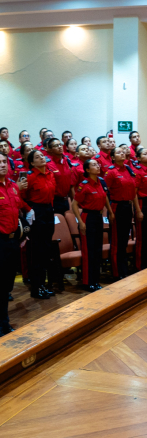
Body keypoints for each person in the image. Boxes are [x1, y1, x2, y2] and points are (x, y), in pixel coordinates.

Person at [71, 159, 113, 291]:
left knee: (97, 250)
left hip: (98, 216)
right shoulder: (83, 185)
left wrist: (110, 212)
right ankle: (88, 282)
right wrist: (81, 222)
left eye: (97, 164)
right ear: (87, 170)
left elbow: (105, 197)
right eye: (94, 165)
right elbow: (74, 204)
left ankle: (95, 280)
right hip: (88, 217)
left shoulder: (101, 181)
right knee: (89, 251)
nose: (98, 166)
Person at [22, 149, 58, 298]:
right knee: (37, 251)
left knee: (46, 250)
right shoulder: (29, 177)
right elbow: (21, 197)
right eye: (37, 157)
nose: (42, 158)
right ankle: (36, 287)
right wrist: (29, 210)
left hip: (48, 211)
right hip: (36, 212)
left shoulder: (50, 174)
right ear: (31, 162)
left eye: (42, 156)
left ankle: (43, 284)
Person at [0, 153, 29, 335]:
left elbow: (17, 211)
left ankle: (4, 322)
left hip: (11, 242)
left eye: (4, 162)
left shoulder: (12, 187)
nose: (2, 165)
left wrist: (22, 233)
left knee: (6, 285)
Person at [105, 146, 142, 280]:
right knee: (116, 242)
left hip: (128, 207)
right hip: (117, 207)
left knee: (124, 241)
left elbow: (134, 192)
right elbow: (104, 193)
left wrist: (137, 210)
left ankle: (124, 269)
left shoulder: (128, 169)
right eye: (118, 152)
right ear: (113, 157)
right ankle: (116, 272)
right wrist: (109, 211)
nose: (122, 154)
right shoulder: (111, 172)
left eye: (123, 152)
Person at [46, 138, 74, 215]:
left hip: (66, 199)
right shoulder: (48, 164)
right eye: (56, 145)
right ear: (50, 149)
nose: (59, 147)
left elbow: (70, 184)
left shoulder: (67, 160)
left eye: (60, 144)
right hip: (54, 201)